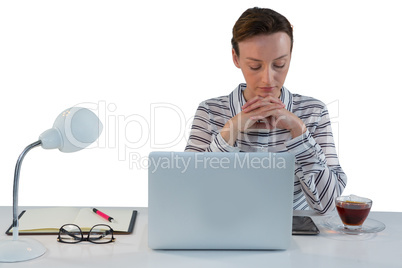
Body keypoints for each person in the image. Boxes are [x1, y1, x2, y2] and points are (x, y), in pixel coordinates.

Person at [185, 7, 347, 214]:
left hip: (295, 237)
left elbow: (329, 206)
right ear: (236, 58)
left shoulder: (314, 112)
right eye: (254, 66)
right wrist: (230, 131)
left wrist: (299, 131)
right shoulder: (209, 111)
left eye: (279, 64)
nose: (268, 79)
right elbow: (190, 193)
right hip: (224, 230)